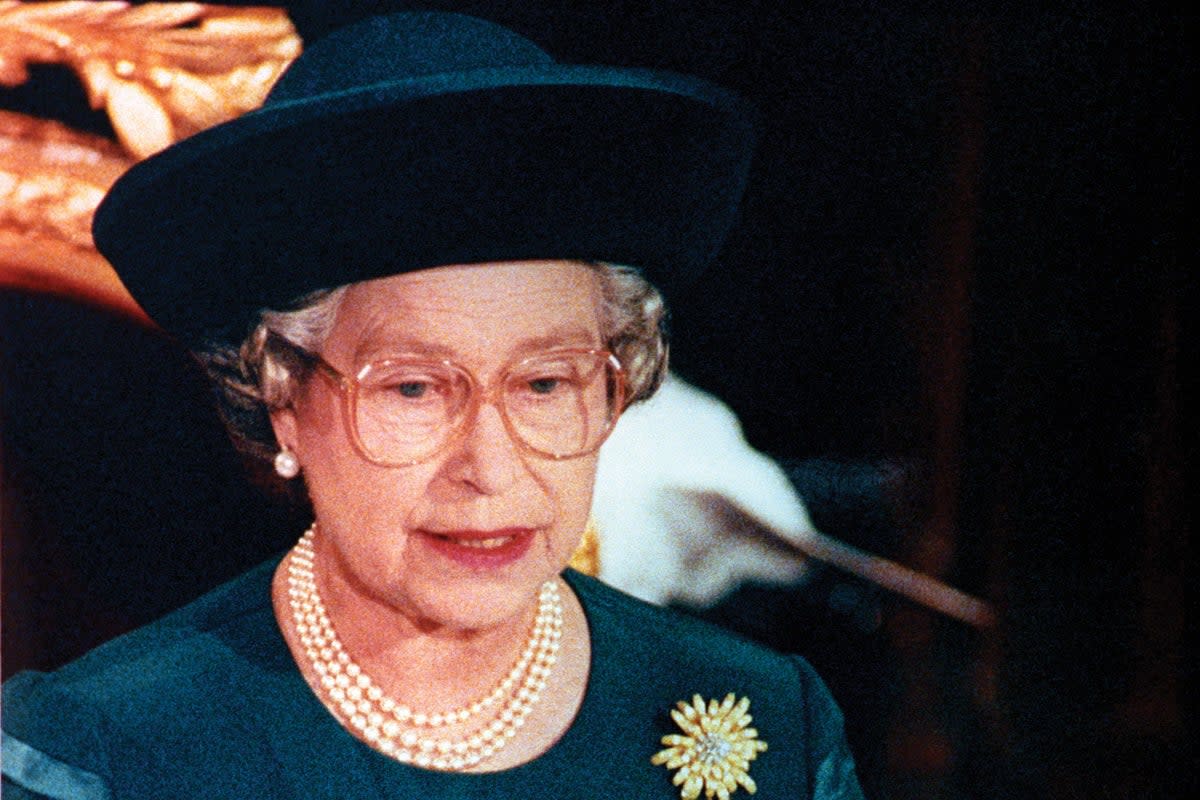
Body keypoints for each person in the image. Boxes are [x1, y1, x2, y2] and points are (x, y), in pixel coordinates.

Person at [1, 12, 864, 799]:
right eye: (413, 388)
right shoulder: (100, 750)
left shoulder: (773, 726)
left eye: (544, 384)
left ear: (614, 388)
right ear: (282, 400)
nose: (489, 470)